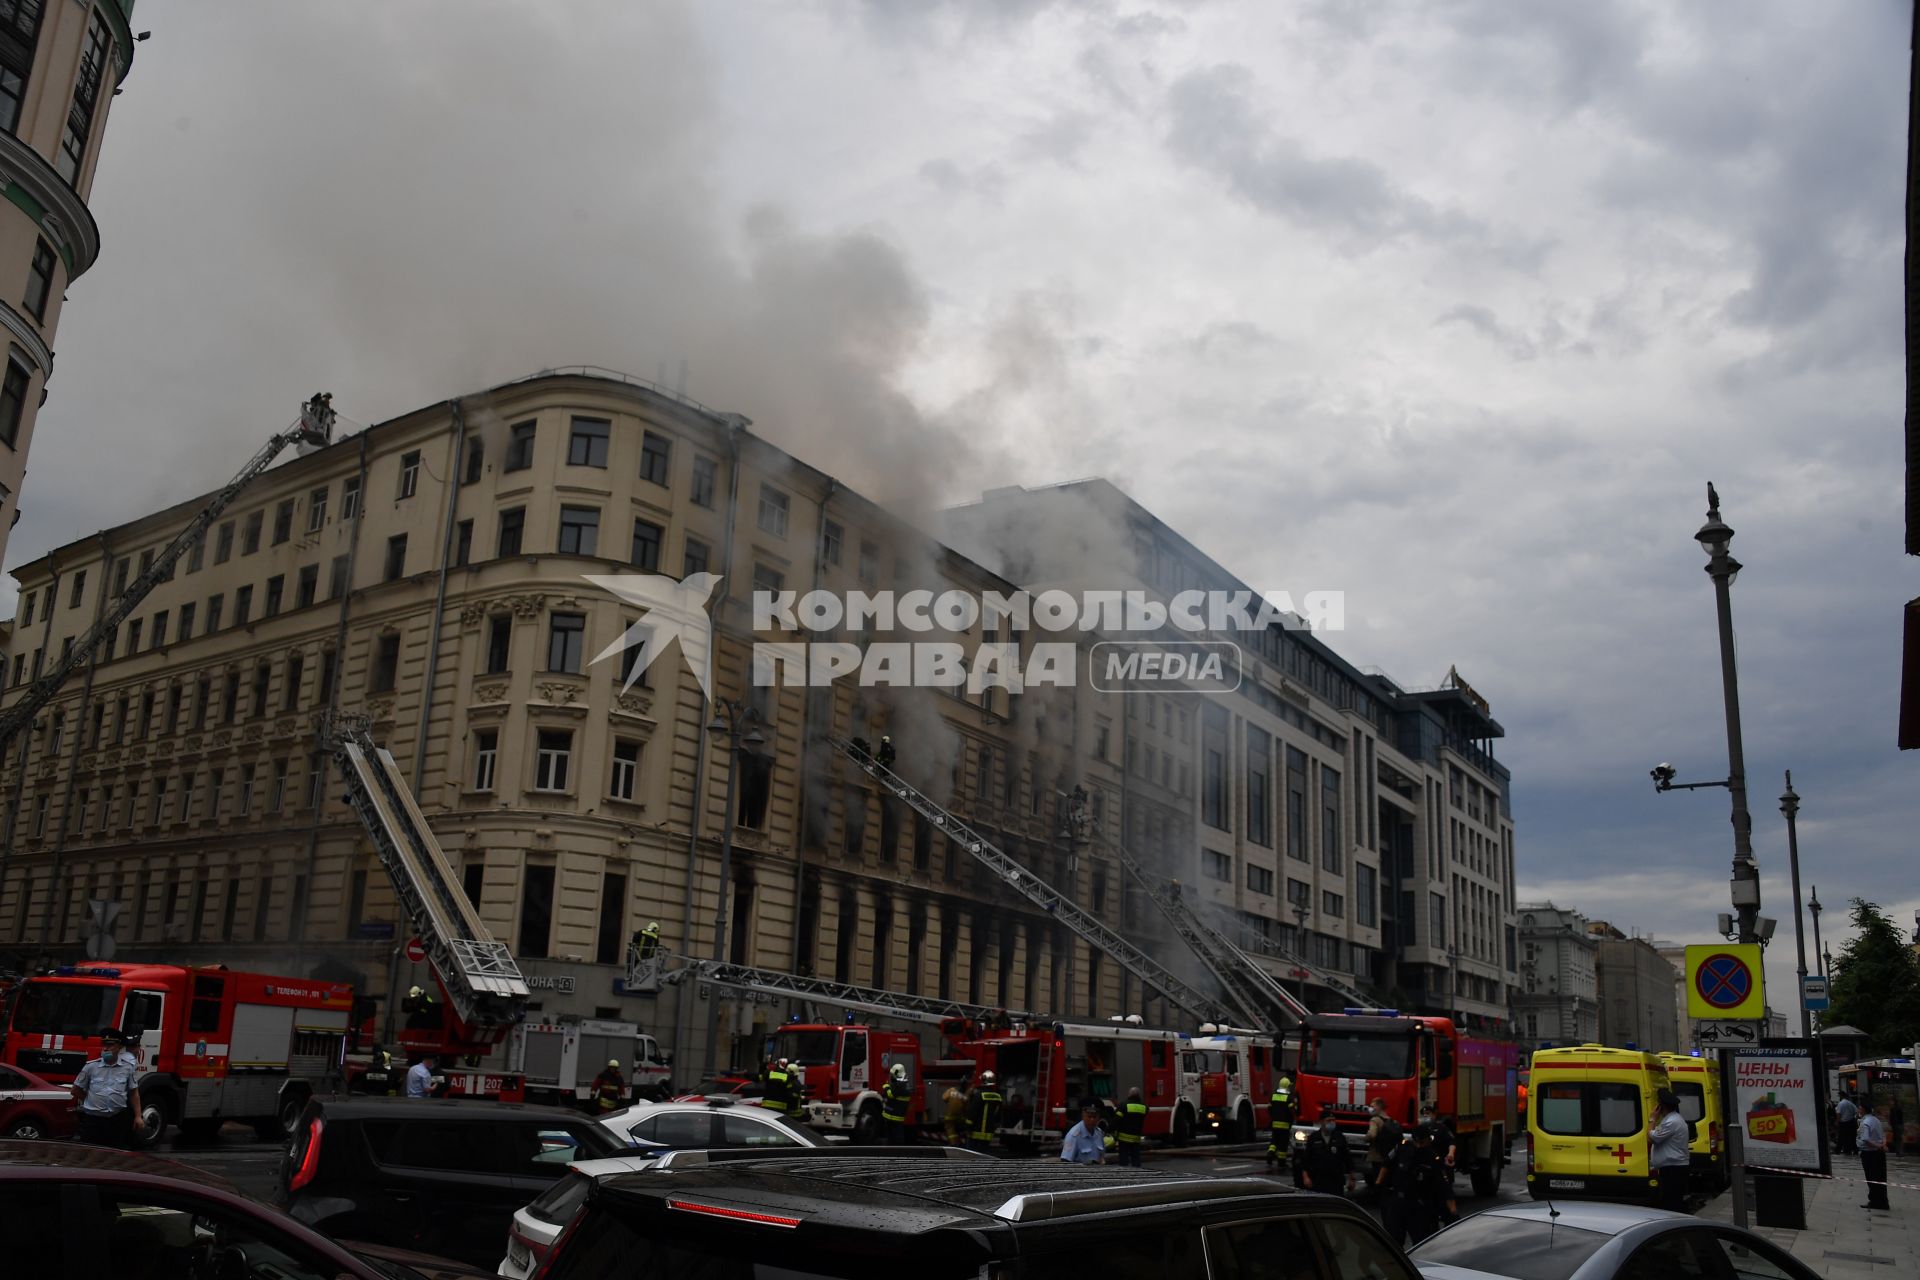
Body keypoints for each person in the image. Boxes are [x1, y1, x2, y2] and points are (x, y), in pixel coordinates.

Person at [71, 1028, 144, 1148]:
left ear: (119, 1047)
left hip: (116, 1120)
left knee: (115, 1153)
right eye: (104, 1045)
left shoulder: (127, 1067)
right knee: (90, 1154)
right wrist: (90, 1099)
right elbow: (75, 1090)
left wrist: (138, 1116)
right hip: (93, 1121)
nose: (105, 1048)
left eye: (110, 1045)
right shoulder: (91, 1067)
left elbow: (133, 1092)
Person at [1377, 1123, 1448, 1247]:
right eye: (1417, 1142)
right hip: (1398, 1202)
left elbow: (1441, 1186)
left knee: (1421, 1244)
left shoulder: (1432, 1157)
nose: (1419, 1146)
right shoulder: (1402, 1148)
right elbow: (1386, 1164)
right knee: (1393, 1242)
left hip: (1418, 1205)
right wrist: (1378, 1185)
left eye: (1423, 1142)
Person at [1648, 1087, 1692, 1214]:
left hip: (1673, 1170)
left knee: (1671, 1204)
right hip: (1674, 1168)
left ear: (1661, 1106)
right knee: (1673, 1202)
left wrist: (1652, 1119)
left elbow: (1651, 1137)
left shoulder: (1671, 1122)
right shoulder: (1673, 1119)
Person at [1419, 1104, 1460, 1222]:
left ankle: (1451, 1217)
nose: (1426, 1116)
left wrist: (1451, 1153)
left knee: (1445, 1193)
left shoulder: (1441, 1128)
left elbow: (1451, 1142)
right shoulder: (1421, 1129)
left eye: (1428, 1114)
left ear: (1434, 1115)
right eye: (1424, 1114)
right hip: (1426, 1168)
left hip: (1440, 1166)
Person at [1301, 1108, 1354, 1196]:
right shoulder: (1314, 1137)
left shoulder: (1339, 1137)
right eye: (1328, 1120)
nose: (1332, 1123)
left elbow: (1347, 1158)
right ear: (1321, 1122)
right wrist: (1306, 1177)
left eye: (1333, 1120)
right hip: (1318, 1180)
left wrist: (1351, 1178)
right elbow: (1306, 1159)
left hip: (1336, 1180)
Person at [1365, 1097, 1403, 1197]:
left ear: (1379, 1107)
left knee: (1378, 1181)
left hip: (1377, 1156)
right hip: (1389, 1156)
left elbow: (1372, 1135)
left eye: (1372, 1106)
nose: (1370, 1108)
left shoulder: (1375, 1120)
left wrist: (1365, 1138)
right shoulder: (1390, 1120)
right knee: (1388, 1181)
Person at [1858, 1101, 1890, 1211]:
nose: (1858, 1110)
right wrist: (1883, 1145)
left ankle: (1875, 1201)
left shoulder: (1865, 1122)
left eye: (1860, 1108)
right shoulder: (1876, 1120)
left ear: (1863, 1109)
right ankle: (1883, 1201)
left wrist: (1878, 1146)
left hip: (1869, 1153)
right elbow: (1883, 1135)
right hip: (1879, 1154)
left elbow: (1865, 1139)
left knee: (1872, 1178)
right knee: (1881, 1177)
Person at [964, 1071, 1002, 1153]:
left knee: (970, 1154)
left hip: (976, 1131)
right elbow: (998, 1114)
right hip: (988, 1132)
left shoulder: (979, 1095)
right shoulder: (998, 1096)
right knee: (983, 1153)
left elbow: (972, 1112)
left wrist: (968, 1126)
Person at [1266, 1074, 1295, 1172]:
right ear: (1287, 1086)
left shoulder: (1273, 1095)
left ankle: (1270, 1153)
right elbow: (1292, 1110)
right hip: (1285, 1125)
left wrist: (1273, 1117)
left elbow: (1269, 1108)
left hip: (1275, 1123)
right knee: (1283, 1144)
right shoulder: (1288, 1097)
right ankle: (1281, 1162)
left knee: (1274, 1141)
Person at [882, 1063, 913, 1145]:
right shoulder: (904, 1083)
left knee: (894, 1137)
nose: (891, 1076)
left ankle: (897, 1152)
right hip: (897, 1116)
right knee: (895, 1135)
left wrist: (886, 1087)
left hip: (894, 1116)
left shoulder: (899, 1085)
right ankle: (896, 1151)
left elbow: (890, 1095)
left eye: (892, 1074)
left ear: (896, 1073)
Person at [1115, 1087, 1147, 1167]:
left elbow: (1116, 1120)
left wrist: (1108, 1130)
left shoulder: (1123, 1106)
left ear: (1129, 1095)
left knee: (1123, 1160)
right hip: (1136, 1138)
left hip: (1123, 1138)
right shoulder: (1144, 1107)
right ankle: (1137, 1175)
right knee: (1136, 1159)